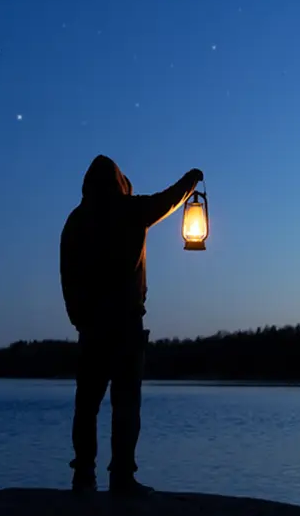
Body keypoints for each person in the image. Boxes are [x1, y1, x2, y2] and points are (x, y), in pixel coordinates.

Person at [60, 155, 203, 495]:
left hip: (92, 328)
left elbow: (67, 275)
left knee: (87, 406)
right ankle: (121, 476)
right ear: (120, 183)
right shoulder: (130, 211)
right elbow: (169, 199)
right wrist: (191, 180)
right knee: (125, 405)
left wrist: (77, 317)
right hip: (124, 326)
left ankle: (84, 474)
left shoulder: (76, 221)